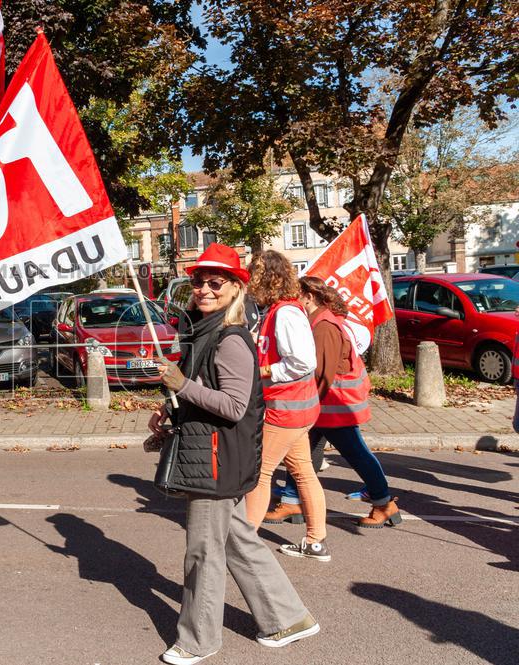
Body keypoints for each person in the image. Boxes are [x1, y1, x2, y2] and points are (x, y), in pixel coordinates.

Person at [152, 243, 318, 665]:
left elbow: (233, 406)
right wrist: (166, 409)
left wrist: (180, 385)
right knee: (237, 538)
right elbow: (197, 390)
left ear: (235, 289)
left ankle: (198, 640)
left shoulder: (230, 340)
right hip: (208, 453)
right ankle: (288, 618)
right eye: (198, 281)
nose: (204, 289)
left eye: (215, 282)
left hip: (216, 460)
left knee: (203, 551)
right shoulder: (203, 331)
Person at [266, 277, 401, 528]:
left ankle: (384, 502)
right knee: (302, 454)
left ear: (309, 296)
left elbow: (322, 373)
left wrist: (307, 402)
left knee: (355, 454)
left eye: (297, 295)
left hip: (332, 407)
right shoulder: (321, 320)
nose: (294, 300)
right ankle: (292, 501)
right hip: (329, 406)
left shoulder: (323, 325)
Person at [244, 251, 330, 561]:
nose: (248, 281)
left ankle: (243, 543)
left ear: (267, 278)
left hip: (287, 409)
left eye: (253, 275)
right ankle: (315, 541)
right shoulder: (279, 311)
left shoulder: (285, 313)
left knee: (258, 472)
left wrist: (266, 370)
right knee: (303, 471)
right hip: (298, 409)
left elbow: (303, 362)